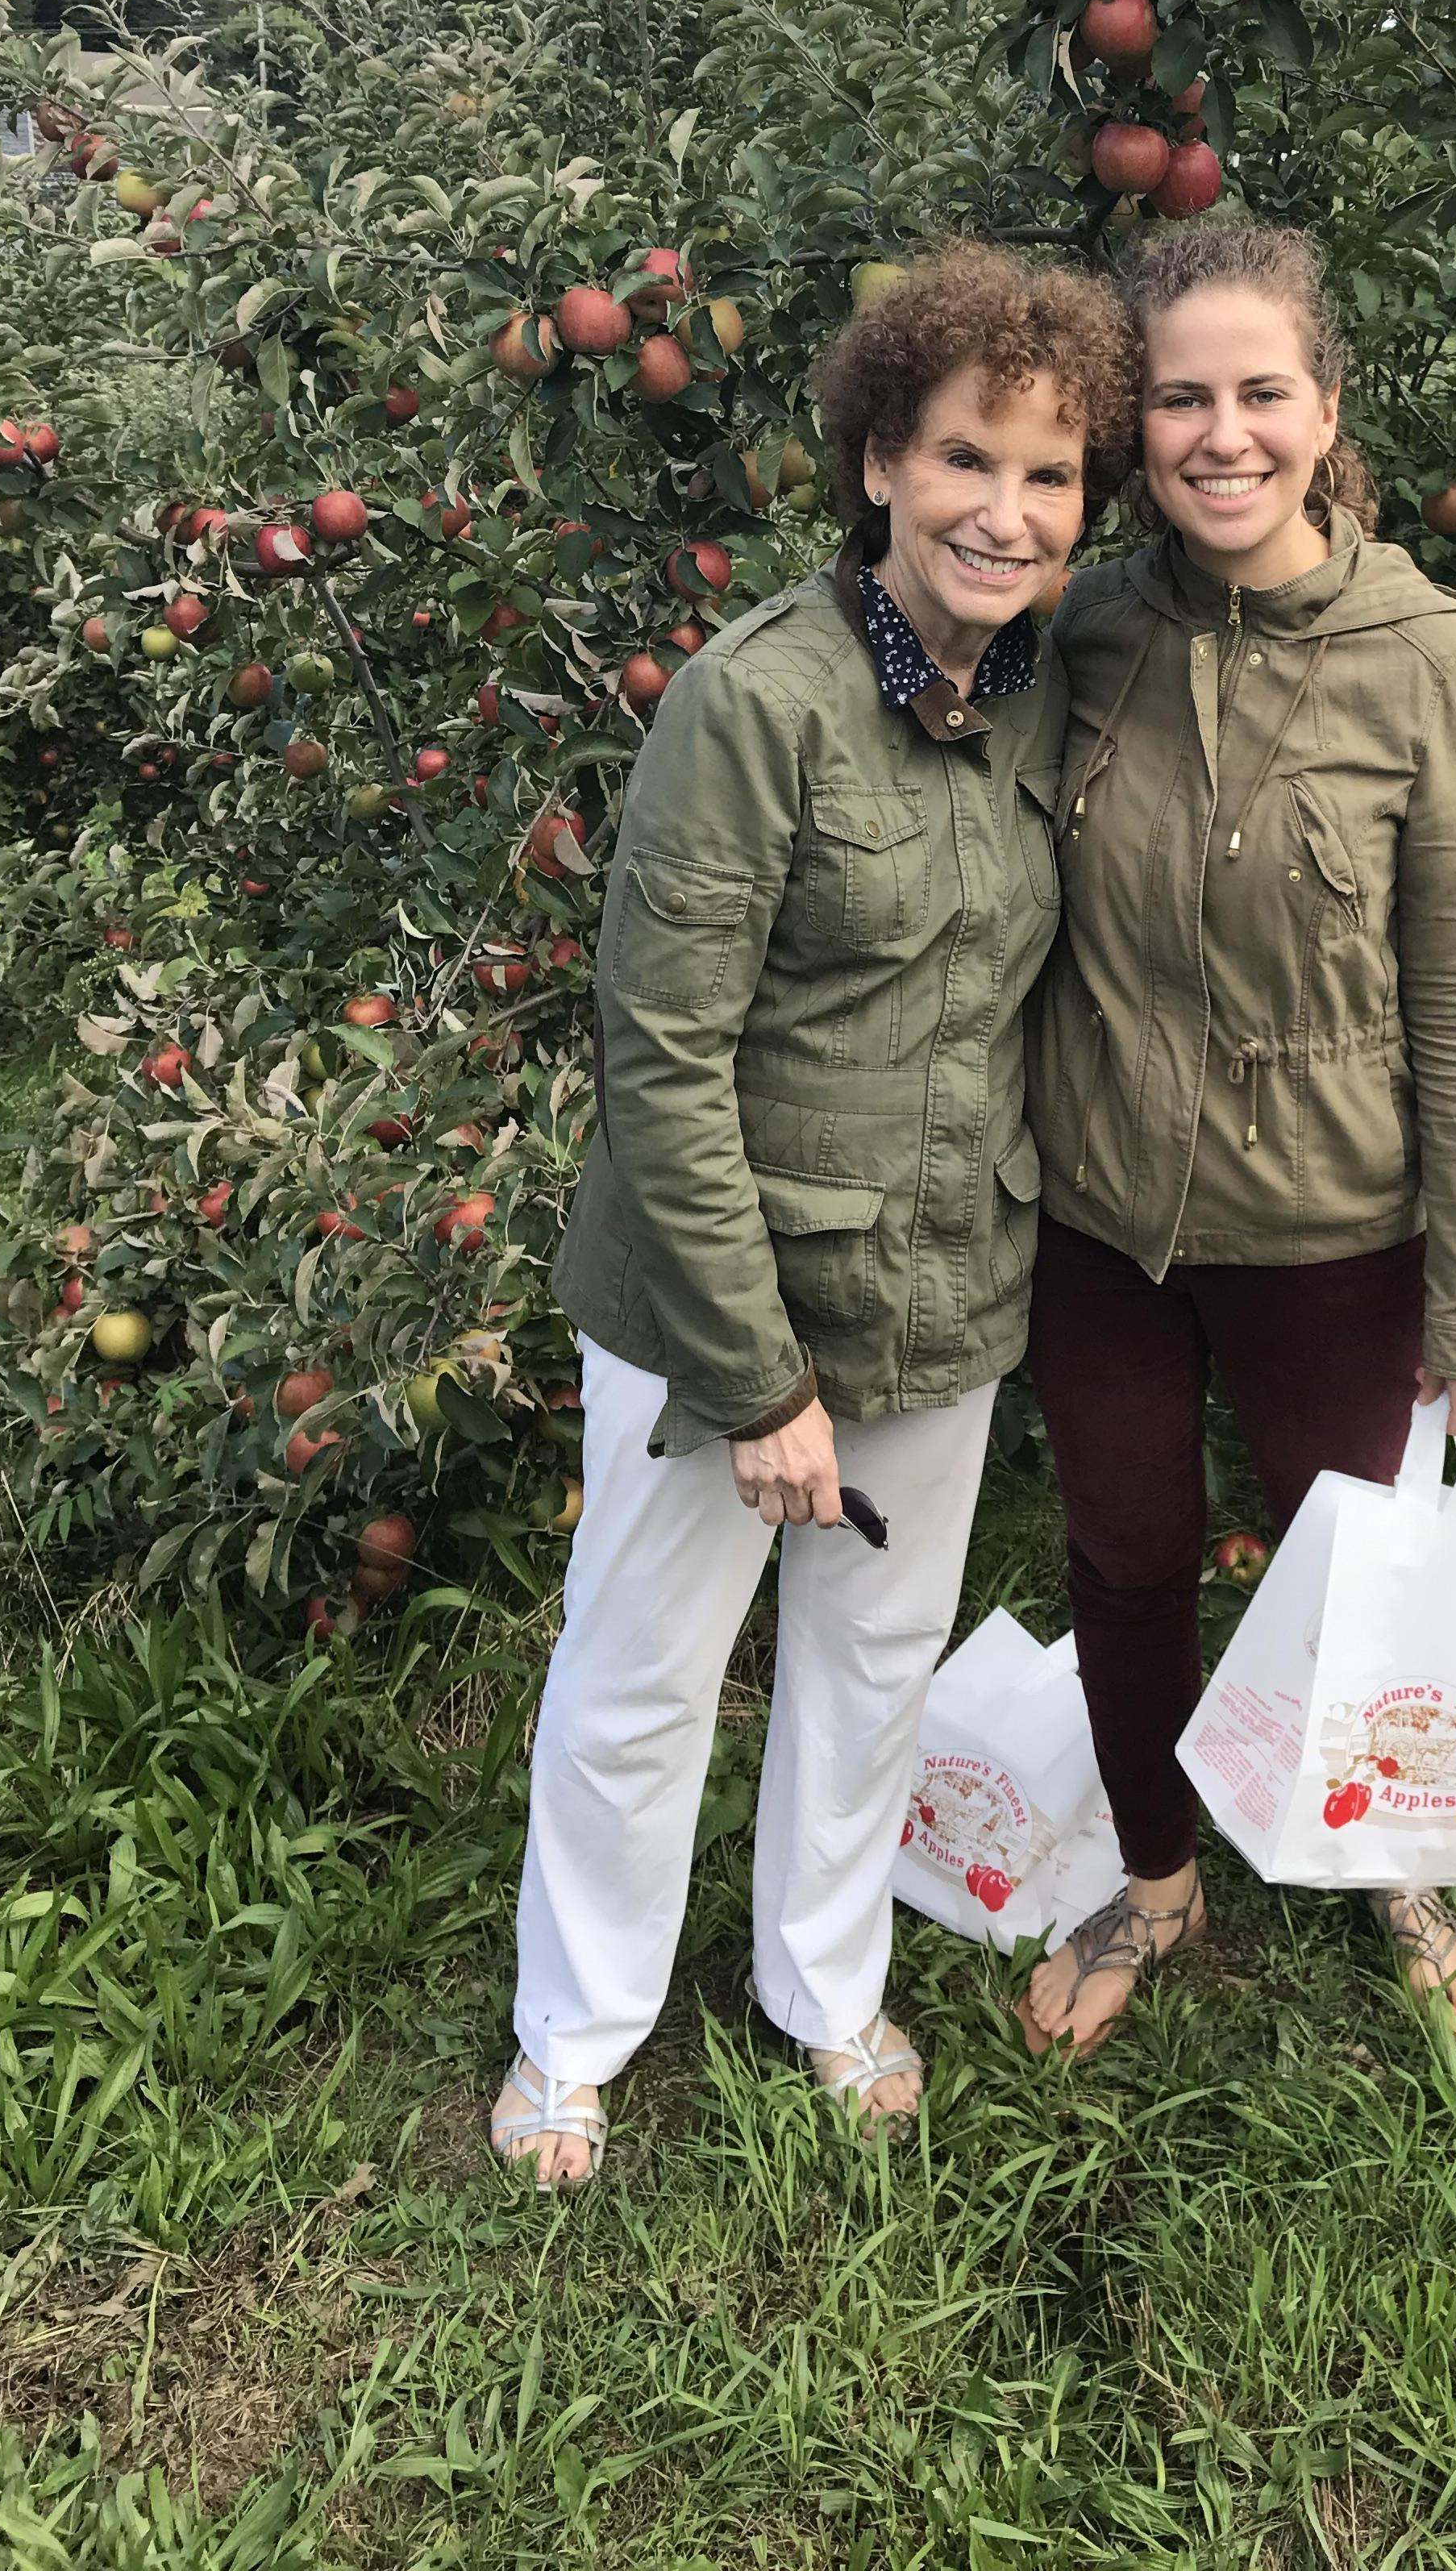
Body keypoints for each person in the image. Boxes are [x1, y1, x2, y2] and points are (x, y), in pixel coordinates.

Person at [493, 244, 1138, 2185]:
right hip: (726, 1301)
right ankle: (576, 2033)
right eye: (963, 460)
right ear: (877, 459)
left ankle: (822, 1987)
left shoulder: (1042, 695)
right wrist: (758, 1376)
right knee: (641, 1671)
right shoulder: (752, 704)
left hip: (947, 1278)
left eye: (1047, 477)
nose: (1002, 513)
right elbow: (660, 1055)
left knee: (875, 1657)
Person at [1017, 219, 1456, 2058]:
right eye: (1178, 400)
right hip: (1104, 1217)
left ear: (1324, 410)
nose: (1220, 435)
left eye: (1260, 393)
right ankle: (1157, 1877)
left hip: (1335, 1219)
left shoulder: (1423, 657)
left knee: (1353, 1566)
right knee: (1128, 1549)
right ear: (1129, 423)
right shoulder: (1083, 628)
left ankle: (1393, 1863)